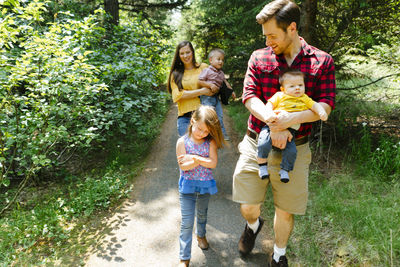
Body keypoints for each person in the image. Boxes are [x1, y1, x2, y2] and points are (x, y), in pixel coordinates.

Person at [232, 0, 336, 266]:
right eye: (265, 36)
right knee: (247, 203)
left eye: (272, 35)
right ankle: (253, 225)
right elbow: (249, 96)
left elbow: (325, 103)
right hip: (257, 143)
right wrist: (272, 120)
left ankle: (278, 255)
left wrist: (292, 119)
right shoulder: (259, 57)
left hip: (296, 148)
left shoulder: (322, 61)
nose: (267, 41)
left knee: (285, 209)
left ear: (292, 28)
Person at [257, 69, 328, 183]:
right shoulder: (279, 95)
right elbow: (269, 105)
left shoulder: (304, 98)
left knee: (291, 151)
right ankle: (262, 165)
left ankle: (285, 169)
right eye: (292, 86)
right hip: (273, 124)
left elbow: (315, 105)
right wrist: (269, 114)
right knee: (263, 143)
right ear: (283, 89)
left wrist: (321, 112)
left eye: (300, 85)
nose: (297, 88)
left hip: (291, 130)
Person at [176, 105, 225, 267]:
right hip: (187, 187)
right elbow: (184, 166)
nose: (202, 133)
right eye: (199, 129)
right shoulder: (182, 142)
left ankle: (201, 235)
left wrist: (194, 158)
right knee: (187, 222)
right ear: (192, 121)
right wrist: (200, 160)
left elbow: (213, 163)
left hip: (205, 186)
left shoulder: (210, 142)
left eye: (206, 132)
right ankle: (184, 258)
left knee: (202, 215)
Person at [167, 41, 214, 137]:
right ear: (178, 55)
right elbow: (176, 96)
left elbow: (215, 84)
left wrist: (186, 93)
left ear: (192, 52)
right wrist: (201, 91)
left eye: (188, 52)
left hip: (204, 116)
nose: (185, 56)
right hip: (184, 119)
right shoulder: (175, 74)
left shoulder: (203, 67)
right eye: (182, 53)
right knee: (188, 150)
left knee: (205, 150)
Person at [198, 48, 235, 141]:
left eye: (222, 60)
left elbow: (225, 82)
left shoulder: (221, 73)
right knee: (208, 117)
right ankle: (207, 135)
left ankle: (222, 134)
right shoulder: (207, 70)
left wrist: (232, 91)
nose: (221, 61)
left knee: (219, 116)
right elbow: (200, 81)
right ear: (210, 60)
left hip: (216, 97)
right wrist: (209, 84)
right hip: (206, 97)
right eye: (218, 59)